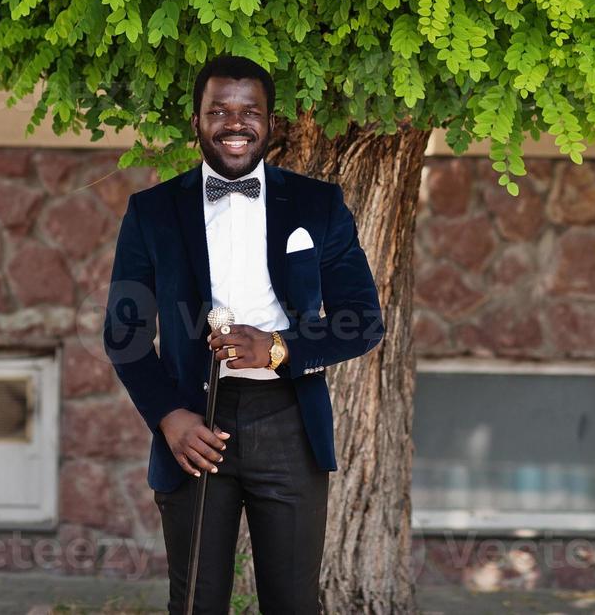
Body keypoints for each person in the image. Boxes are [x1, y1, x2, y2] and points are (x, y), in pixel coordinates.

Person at [103, 53, 384, 614]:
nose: (235, 124)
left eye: (249, 111)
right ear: (197, 122)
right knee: (195, 604)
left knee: (292, 603)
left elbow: (362, 321)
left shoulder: (317, 205)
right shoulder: (152, 212)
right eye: (219, 111)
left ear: (271, 123)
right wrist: (168, 416)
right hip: (194, 427)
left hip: (289, 424)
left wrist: (279, 348)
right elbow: (124, 332)